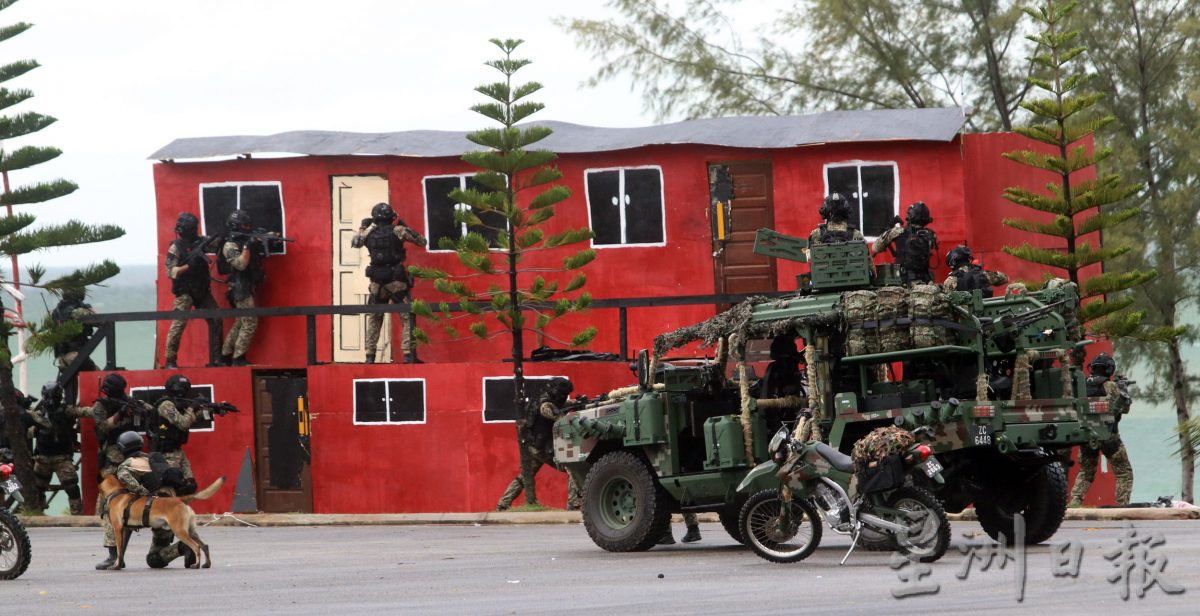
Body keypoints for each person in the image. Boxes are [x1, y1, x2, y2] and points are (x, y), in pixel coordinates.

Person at [350, 202, 428, 364]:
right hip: (396, 281)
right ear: (391, 217)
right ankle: (408, 355)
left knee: (375, 317)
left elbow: (355, 243)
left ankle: (370, 356)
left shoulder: (368, 234)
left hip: (377, 283)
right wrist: (407, 228)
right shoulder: (398, 231)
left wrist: (362, 227)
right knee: (407, 316)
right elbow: (422, 241)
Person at [91, 373, 153, 569]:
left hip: (132, 460)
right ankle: (115, 554)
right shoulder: (101, 406)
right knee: (109, 508)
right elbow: (101, 428)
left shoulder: (128, 401)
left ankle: (115, 556)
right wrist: (119, 415)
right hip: (112, 460)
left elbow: (149, 410)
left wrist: (139, 409)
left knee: (116, 507)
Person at [496, 377, 580, 511]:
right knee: (573, 467)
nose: (564, 397)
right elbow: (561, 419)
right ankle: (573, 503)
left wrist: (578, 403)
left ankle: (503, 504)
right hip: (544, 449)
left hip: (534, 447)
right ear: (557, 393)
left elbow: (564, 405)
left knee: (524, 477)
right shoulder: (546, 406)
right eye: (563, 394)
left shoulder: (541, 400)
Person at [1068, 353, 1134, 507]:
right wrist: (1123, 390)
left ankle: (1075, 503)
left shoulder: (1081, 384)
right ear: (1109, 369)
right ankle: (1121, 506)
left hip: (1087, 436)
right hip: (1108, 435)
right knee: (1124, 472)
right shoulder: (1110, 386)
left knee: (1086, 471)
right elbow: (1124, 409)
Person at [163, 212, 221, 369]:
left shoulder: (201, 241)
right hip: (185, 292)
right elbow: (170, 272)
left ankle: (216, 359)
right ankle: (170, 360)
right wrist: (189, 266)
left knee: (216, 319)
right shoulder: (176, 247)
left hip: (201, 289)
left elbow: (217, 244)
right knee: (178, 324)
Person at [28, 382, 89, 515]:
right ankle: (37, 513)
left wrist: (98, 409)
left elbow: (83, 412)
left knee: (72, 487)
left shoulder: (66, 410)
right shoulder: (39, 412)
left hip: (62, 458)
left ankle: (77, 514)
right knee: (37, 488)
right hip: (42, 457)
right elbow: (28, 429)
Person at [219, 210, 265, 366]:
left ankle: (225, 356)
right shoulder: (230, 245)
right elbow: (240, 264)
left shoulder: (242, 242)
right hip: (239, 289)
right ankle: (238, 358)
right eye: (244, 225)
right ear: (236, 226)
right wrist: (248, 245)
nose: (247, 228)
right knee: (250, 322)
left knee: (240, 322)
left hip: (247, 286)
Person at [871, 201, 939, 284]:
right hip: (924, 281)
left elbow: (875, 248)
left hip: (902, 280)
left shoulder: (897, 232)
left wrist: (888, 229)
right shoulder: (931, 235)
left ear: (909, 216)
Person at [50, 287, 97, 403]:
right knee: (99, 378)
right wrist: (88, 309)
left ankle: (70, 414)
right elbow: (98, 319)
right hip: (75, 356)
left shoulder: (56, 311)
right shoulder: (78, 311)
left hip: (62, 357)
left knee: (70, 394)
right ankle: (93, 411)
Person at [941, 245, 1008, 296]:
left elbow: (948, 301)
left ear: (953, 262)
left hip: (964, 314)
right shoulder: (981, 274)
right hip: (985, 313)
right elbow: (1004, 278)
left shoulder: (951, 280)